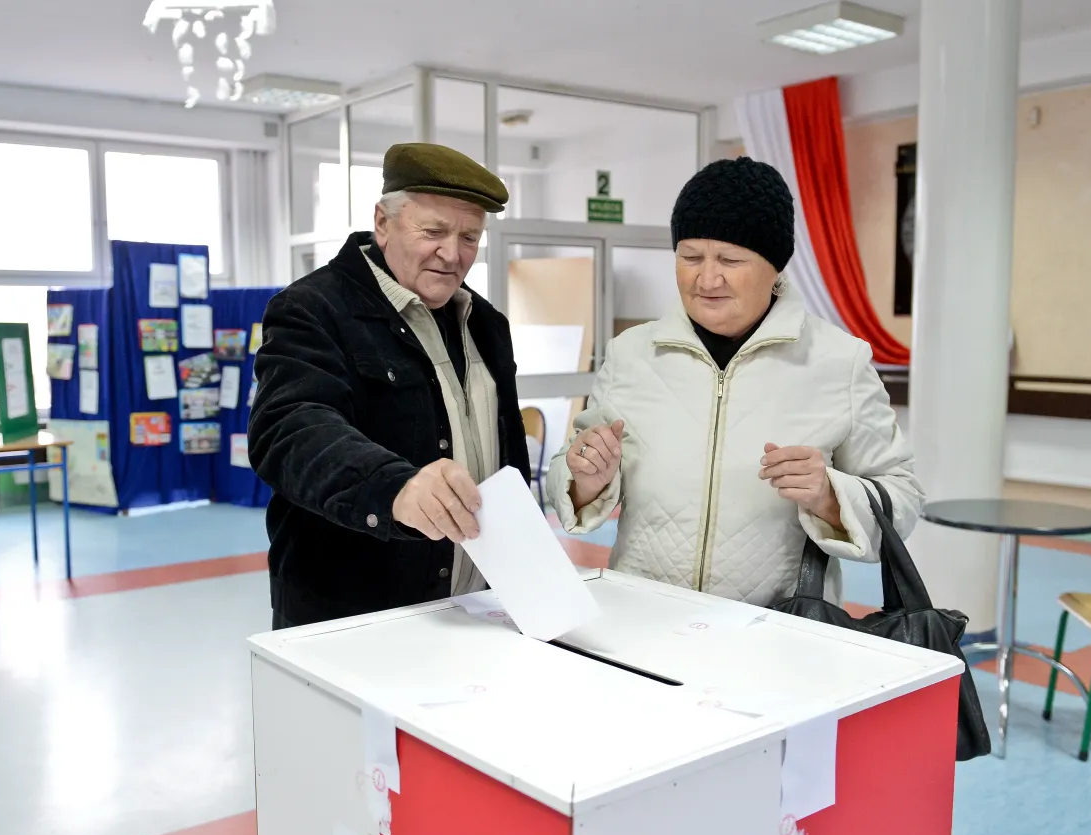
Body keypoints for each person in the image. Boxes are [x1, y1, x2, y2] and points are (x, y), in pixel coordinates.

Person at [546, 157, 922, 606]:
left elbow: (902, 498)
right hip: (644, 620)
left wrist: (829, 496)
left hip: (777, 635)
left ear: (775, 265)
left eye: (730, 259)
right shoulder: (631, 354)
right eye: (690, 257)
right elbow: (568, 472)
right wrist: (586, 476)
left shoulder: (839, 362)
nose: (707, 278)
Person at [249, 143, 530, 629]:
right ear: (383, 222)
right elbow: (290, 428)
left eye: (469, 236)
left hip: (478, 609)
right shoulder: (313, 310)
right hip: (356, 618)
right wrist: (394, 487)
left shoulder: (486, 323)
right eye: (434, 231)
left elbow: (507, 457)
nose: (452, 253)